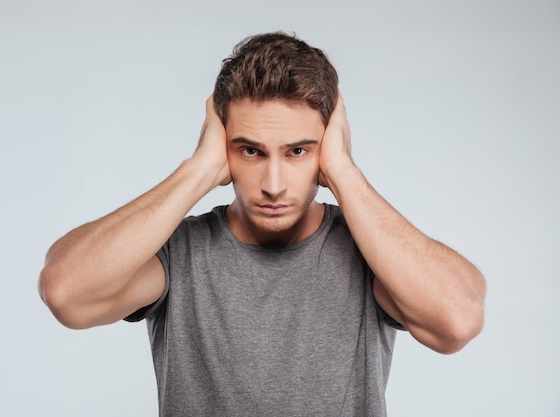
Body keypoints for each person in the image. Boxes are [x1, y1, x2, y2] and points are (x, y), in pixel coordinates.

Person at [39, 32, 486, 416]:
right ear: (224, 147)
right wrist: (198, 169)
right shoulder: (180, 252)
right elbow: (66, 291)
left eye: (298, 151)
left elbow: (458, 321)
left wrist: (346, 173)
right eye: (250, 150)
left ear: (327, 146)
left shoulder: (368, 253)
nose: (273, 185)